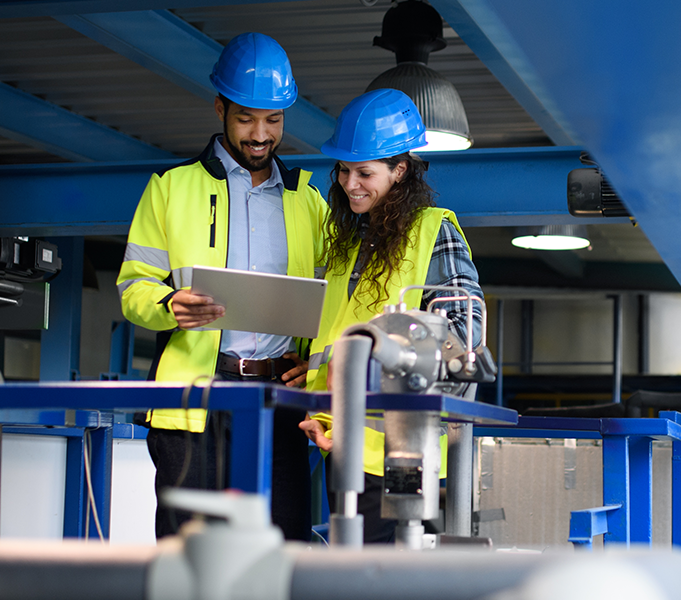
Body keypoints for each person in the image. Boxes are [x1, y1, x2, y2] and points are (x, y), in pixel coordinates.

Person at [116, 32, 328, 540]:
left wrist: (314, 361)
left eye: (273, 120)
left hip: (282, 401)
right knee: (190, 551)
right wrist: (169, 303)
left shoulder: (310, 201)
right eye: (245, 118)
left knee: (284, 549)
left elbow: (332, 303)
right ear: (219, 108)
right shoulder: (170, 189)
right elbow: (132, 290)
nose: (260, 134)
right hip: (195, 399)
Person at [297, 88, 484, 543]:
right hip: (343, 447)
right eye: (343, 170)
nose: (349, 183)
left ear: (400, 171)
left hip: (406, 453)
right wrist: (320, 397)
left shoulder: (432, 231)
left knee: (396, 578)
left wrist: (372, 365)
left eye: (365, 172)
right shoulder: (346, 244)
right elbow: (338, 344)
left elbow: (461, 340)